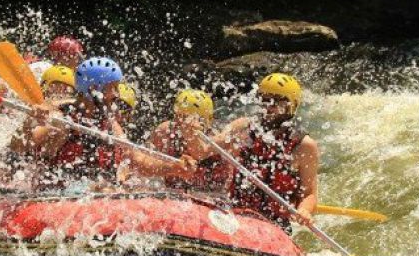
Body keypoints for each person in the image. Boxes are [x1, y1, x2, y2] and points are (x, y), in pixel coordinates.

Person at [21, 57, 196, 191]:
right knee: (104, 188)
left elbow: (138, 160)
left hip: (95, 193)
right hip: (57, 194)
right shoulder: (61, 117)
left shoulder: (110, 124)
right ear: (93, 90)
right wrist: (30, 122)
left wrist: (174, 167)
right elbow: (19, 147)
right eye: (113, 88)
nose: (118, 95)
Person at [212, 73, 319, 233]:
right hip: (235, 215)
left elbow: (309, 193)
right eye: (265, 99)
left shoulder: (304, 145)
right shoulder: (243, 127)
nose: (269, 106)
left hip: (274, 224)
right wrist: (191, 132)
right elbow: (206, 149)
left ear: (292, 105)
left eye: (277, 101)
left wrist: (304, 210)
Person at [147, 89, 231, 194]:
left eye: (186, 118)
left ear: (205, 120)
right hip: (173, 196)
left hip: (213, 198)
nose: (181, 123)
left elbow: (200, 151)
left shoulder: (219, 138)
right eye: (179, 116)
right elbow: (145, 160)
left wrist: (191, 136)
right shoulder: (164, 131)